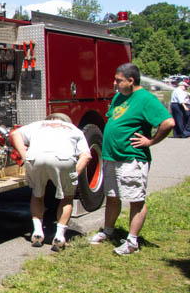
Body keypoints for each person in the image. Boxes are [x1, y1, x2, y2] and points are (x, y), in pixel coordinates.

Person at [89, 63, 174, 255]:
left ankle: (132, 241)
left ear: (131, 80)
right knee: (112, 196)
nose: (115, 83)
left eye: (118, 80)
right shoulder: (121, 96)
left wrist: (150, 141)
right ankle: (108, 231)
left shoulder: (145, 99)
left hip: (131, 158)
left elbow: (168, 122)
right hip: (112, 157)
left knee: (136, 200)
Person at [10, 113, 93, 252]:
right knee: (67, 197)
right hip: (63, 159)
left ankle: (37, 233)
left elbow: (14, 134)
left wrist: (25, 156)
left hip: (35, 158)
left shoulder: (37, 125)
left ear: (51, 119)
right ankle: (59, 237)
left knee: (37, 195)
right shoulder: (74, 129)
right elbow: (87, 156)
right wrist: (74, 174)